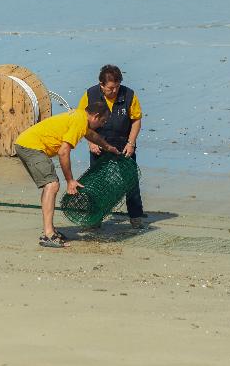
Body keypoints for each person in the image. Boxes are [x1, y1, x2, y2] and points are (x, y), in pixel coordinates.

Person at [14, 102, 119, 248]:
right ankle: (48, 235)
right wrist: (70, 180)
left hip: (26, 143)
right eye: (103, 121)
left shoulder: (80, 117)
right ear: (95, 116)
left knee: (50, 185)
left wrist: (107, 147)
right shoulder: (79, 122)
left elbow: (91, 135)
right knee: (52, 185)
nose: (102, 125)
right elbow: (63, 152)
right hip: (31, 146)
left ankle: (49, 230)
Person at [78, 64, 145, 229]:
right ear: (101, 85)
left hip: (124, 144)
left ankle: (136, 217)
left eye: (117, 86)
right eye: (110, 88)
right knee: (96, 183)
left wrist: (131, 143)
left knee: (131, 181)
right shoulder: (90, 95)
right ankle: (95, 218)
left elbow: (136, 119)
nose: (114, 91)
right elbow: (81, 121)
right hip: (98, 143)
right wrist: (91, 142)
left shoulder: (129, 95)